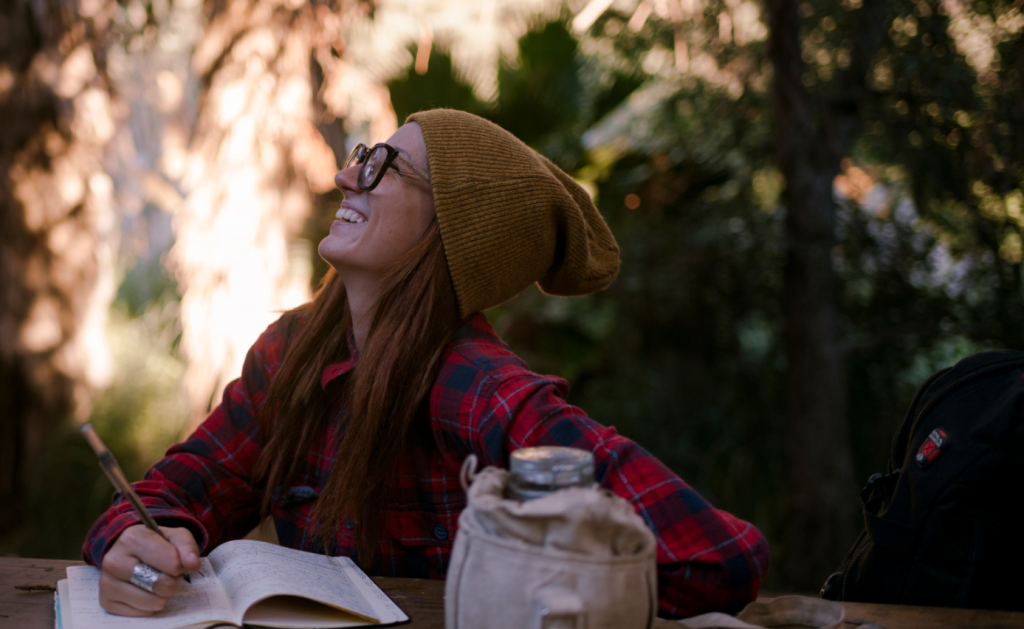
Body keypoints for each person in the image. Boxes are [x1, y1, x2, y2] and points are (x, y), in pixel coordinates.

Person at [84, 109, 769, 619]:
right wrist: (137, 544)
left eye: (384, 166)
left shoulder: (485, 393)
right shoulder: (292, 351)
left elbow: (719, 557)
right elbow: (172, 491)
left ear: (451, 231)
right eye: (364, 155)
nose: (346, 173)